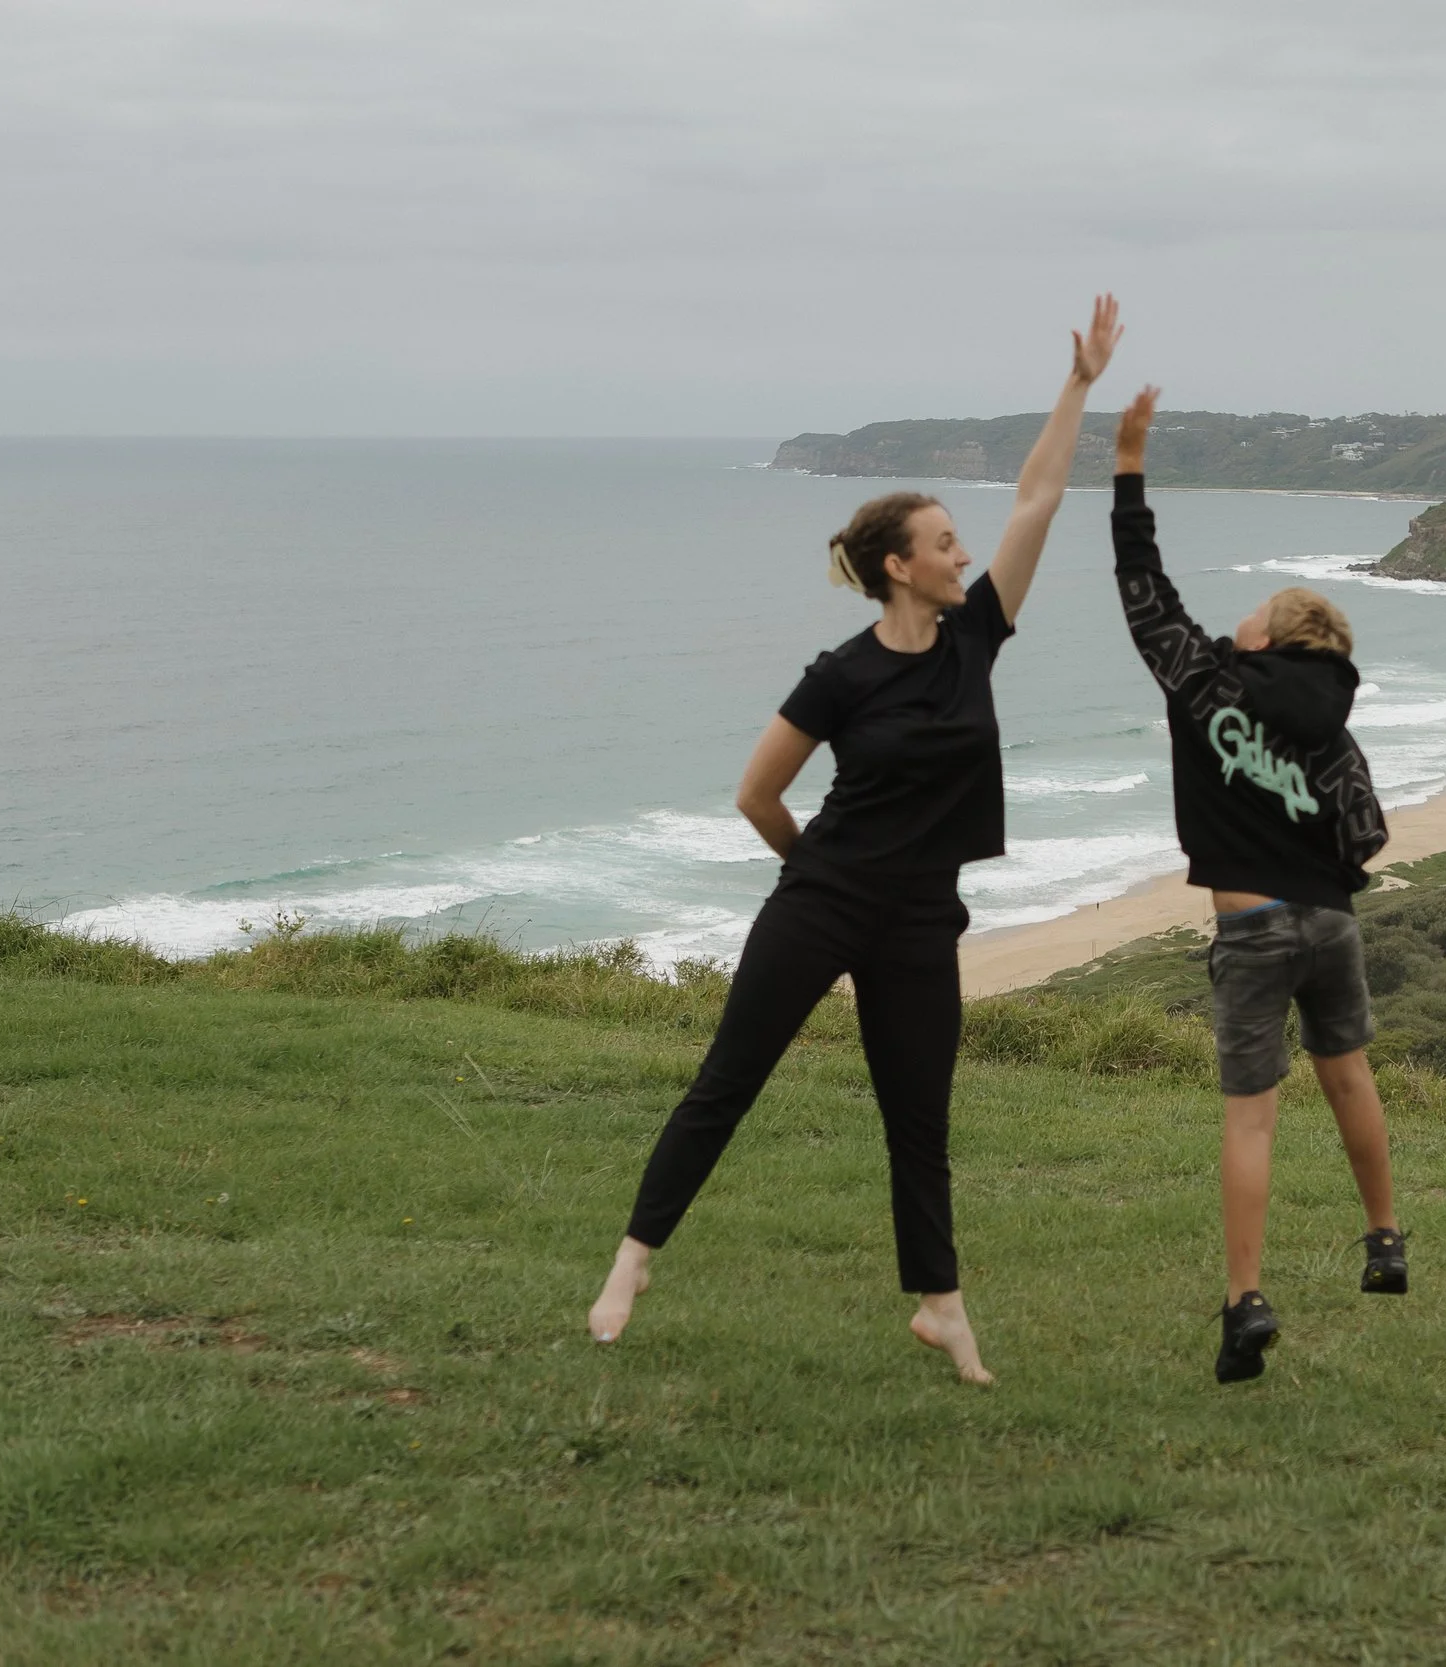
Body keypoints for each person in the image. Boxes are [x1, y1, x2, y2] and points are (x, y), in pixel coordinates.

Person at [587, 297, 1123, 1384]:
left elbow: (1037, 498)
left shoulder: (975, 637)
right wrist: (818, 873)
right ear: (898, 566)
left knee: (918, 1120)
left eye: (958, 540)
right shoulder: (841, 674)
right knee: (727, 1082)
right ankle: (631, 1262)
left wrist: (1077, 385)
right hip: (825, 900)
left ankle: (942, 1308)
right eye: (944, 543)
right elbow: (758, 793)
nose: (963, 553)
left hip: (921, 917)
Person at [1107, 385, 1404, 1384]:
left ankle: (1245, 1302)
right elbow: (1366, 833)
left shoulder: (1206, 681)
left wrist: (1129, 468)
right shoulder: (1336, 732)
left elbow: (1144, 589)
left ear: (1270, 637)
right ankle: (1384, 1236)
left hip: (1253, 928)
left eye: (1254, 610)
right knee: (1349, 1075)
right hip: (1331, 923)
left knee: (1251, 1113)